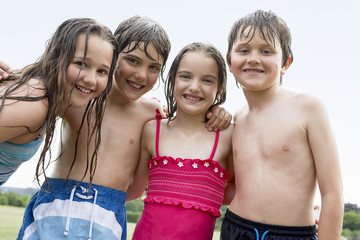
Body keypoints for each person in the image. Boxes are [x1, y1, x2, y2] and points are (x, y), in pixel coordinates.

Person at [12, 16, 231, 240]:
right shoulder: (80, 97)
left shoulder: (152, 115)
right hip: (55, 205)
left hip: (107, 217)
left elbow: (184, 123)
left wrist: (214, 111)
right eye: (132, 61)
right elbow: (37, 85)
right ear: (113, 56)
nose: (140, 74)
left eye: (153, 67)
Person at [221, 10, 343, 239]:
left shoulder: (308, 107)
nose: (253, 58)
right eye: (243, 50)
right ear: (230, 61)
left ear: (285, 62)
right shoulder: (236, 118)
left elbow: (332, 192)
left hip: (292, 234)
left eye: (266, 51)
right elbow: (232, 188)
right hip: (235, 228)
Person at [127, 42, 234, 240]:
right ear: (173, 79)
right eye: (185, 76)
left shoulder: (229, 136)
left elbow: (238, 192)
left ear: (219, 89)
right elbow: (134, 189)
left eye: (207, 80)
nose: (194, 87)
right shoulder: (152, 130)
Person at [0, 18, 117, 187]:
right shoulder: (35, 102)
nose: (91, 79)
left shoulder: (46, 96)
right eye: (81, 63)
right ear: (57, 57)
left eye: (102, 71)